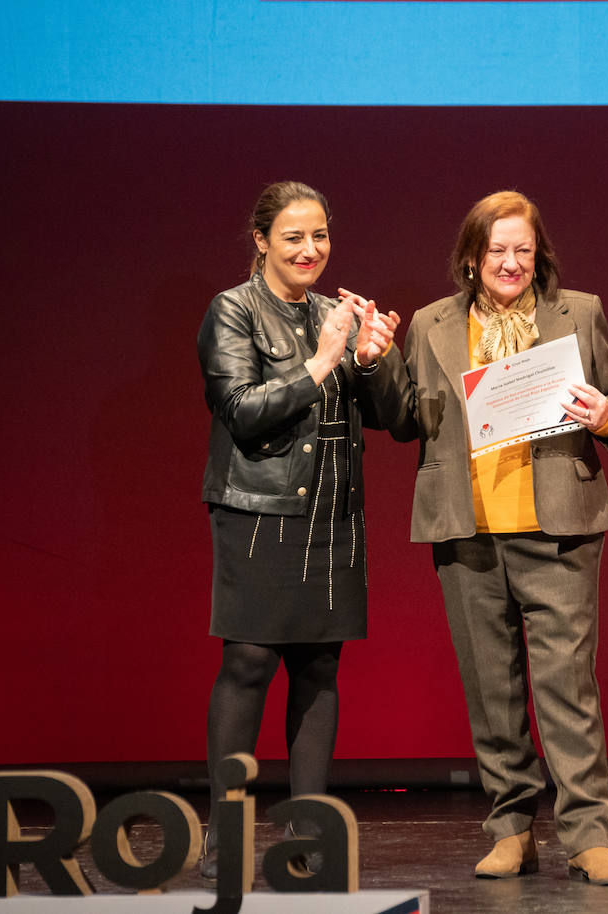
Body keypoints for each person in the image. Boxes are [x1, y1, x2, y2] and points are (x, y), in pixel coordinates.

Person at [382, 190, 608, 885]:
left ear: (539, 254)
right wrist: (375, 362)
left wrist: (602, 414)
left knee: (567, 690)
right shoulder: (433, 323)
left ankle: (588, 835)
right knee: (492, 691)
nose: (511, 262)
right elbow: (405, 419)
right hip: (466, 531)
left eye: (523, 249)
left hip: (558, 528)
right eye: (497, 249)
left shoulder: (577, 313)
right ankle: (512, 828)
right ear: (472, 256)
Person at [196, 181, 402, 877]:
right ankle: (226, 839)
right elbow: (244, 411)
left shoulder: (333, 313)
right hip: (259, 513)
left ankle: (309, 841)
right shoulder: (233, 311)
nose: (310, 249)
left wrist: (370, 362)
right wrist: (321, 363)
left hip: (333, 520)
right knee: (248, 663)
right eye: (293, 237)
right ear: (260, 241)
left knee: (318, 670)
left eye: (320, 235)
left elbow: (391, 419)